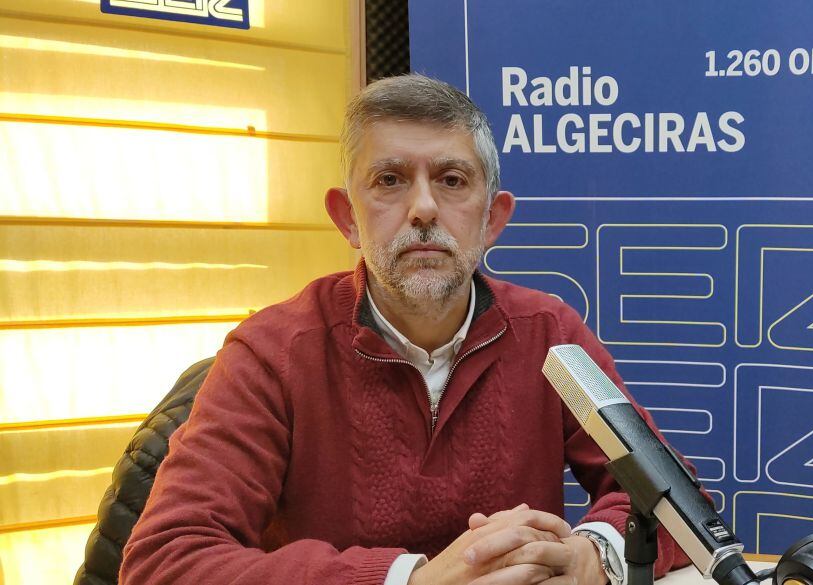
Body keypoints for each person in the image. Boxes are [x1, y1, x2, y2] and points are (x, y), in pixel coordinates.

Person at [120, 74, 694, 585]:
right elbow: (166, 561)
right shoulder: (271, 352)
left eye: (450, 179)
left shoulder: (551, 333)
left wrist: (595, 556)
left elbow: (675, 502)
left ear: (492, 218)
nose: (422, 208)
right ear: (348, 218)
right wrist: (408, 579)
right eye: (390, 180)